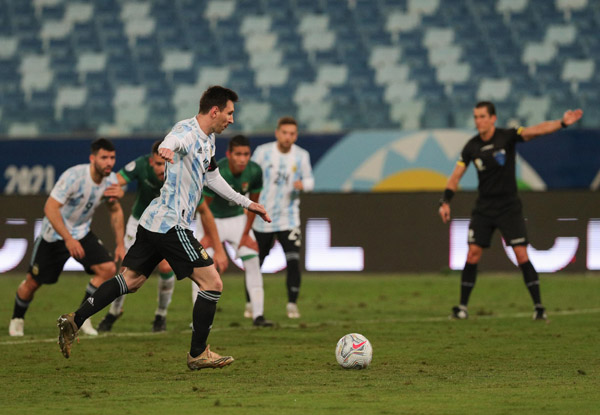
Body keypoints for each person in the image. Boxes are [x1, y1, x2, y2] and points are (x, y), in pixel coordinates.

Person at [57, 86, 271, 371]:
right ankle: (198, 354)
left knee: (130, 281)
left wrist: (247, 203)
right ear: (215, 110)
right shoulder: (186, 130)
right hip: (172, 225)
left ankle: (75, 319)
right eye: (230, 113)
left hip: (154, 221)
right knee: (213, 283)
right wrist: (166, 147)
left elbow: (213, 178)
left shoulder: (209, 141)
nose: (232, 120)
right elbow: (175, 139)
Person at [438, 101, 583, 321]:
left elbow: (536, 131)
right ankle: (462, 308)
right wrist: (445, 201)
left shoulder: (507, 136)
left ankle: (539, 307)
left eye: (482, 116)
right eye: (476, 117)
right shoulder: (471, 147)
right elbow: (456, 176)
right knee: (472, 253)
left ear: (493, 118)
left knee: (521, 253)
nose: (478, 121)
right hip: (484, 208)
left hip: (508, 207)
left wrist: (562, 123)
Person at [96, 140, 228, 333]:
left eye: (165, 163)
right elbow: (116, 182)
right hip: (139, 224)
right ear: (151, 162)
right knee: (126, 271)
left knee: (166, 267)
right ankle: (114, 312)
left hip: (168, 227)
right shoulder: (140, 165)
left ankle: (160, 315)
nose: (162, 168)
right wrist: (117, 190)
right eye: (158, 164)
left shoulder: (182, 176)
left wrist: (219, 247)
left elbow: (205, 212)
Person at [8, 138, 125, 337]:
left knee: (106, 269)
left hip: (81, 233)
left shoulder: (111, 180)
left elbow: (115, 210)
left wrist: (120, 243)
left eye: (112, 158)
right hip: (53, 235)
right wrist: (68, 239)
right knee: (33, 283)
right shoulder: (74, 177)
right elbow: (50, 208)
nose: (109, 162)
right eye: (104, 157)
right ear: (92, 158)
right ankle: (17, 319)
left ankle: (82, 317)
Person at [194, 134, 274, 327]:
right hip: (210, 221)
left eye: (246, 154)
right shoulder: (216, 171)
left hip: (237, 219)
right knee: (200, 268)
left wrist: (246, 234)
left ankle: (258, 316)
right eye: (238, 154)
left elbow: (253, 204)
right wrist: (210, 238)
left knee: (253, 259)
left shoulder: (255, 171)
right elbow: (204, 208)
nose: (242, 159)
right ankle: (196, 319)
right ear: (229, 154)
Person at [251, 116, 314, 319]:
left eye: (292, 134)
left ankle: (292, 304)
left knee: (294, 260)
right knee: (255, 263)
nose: (288, 137)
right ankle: (251, 304)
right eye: (284, 133)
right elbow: (250, 176)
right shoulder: (263, 152)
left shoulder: (301, 156)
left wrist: (303, 185)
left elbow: (310, 180)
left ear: (296, 136)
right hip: (263, 216)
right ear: (277, 133)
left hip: (289, 217)